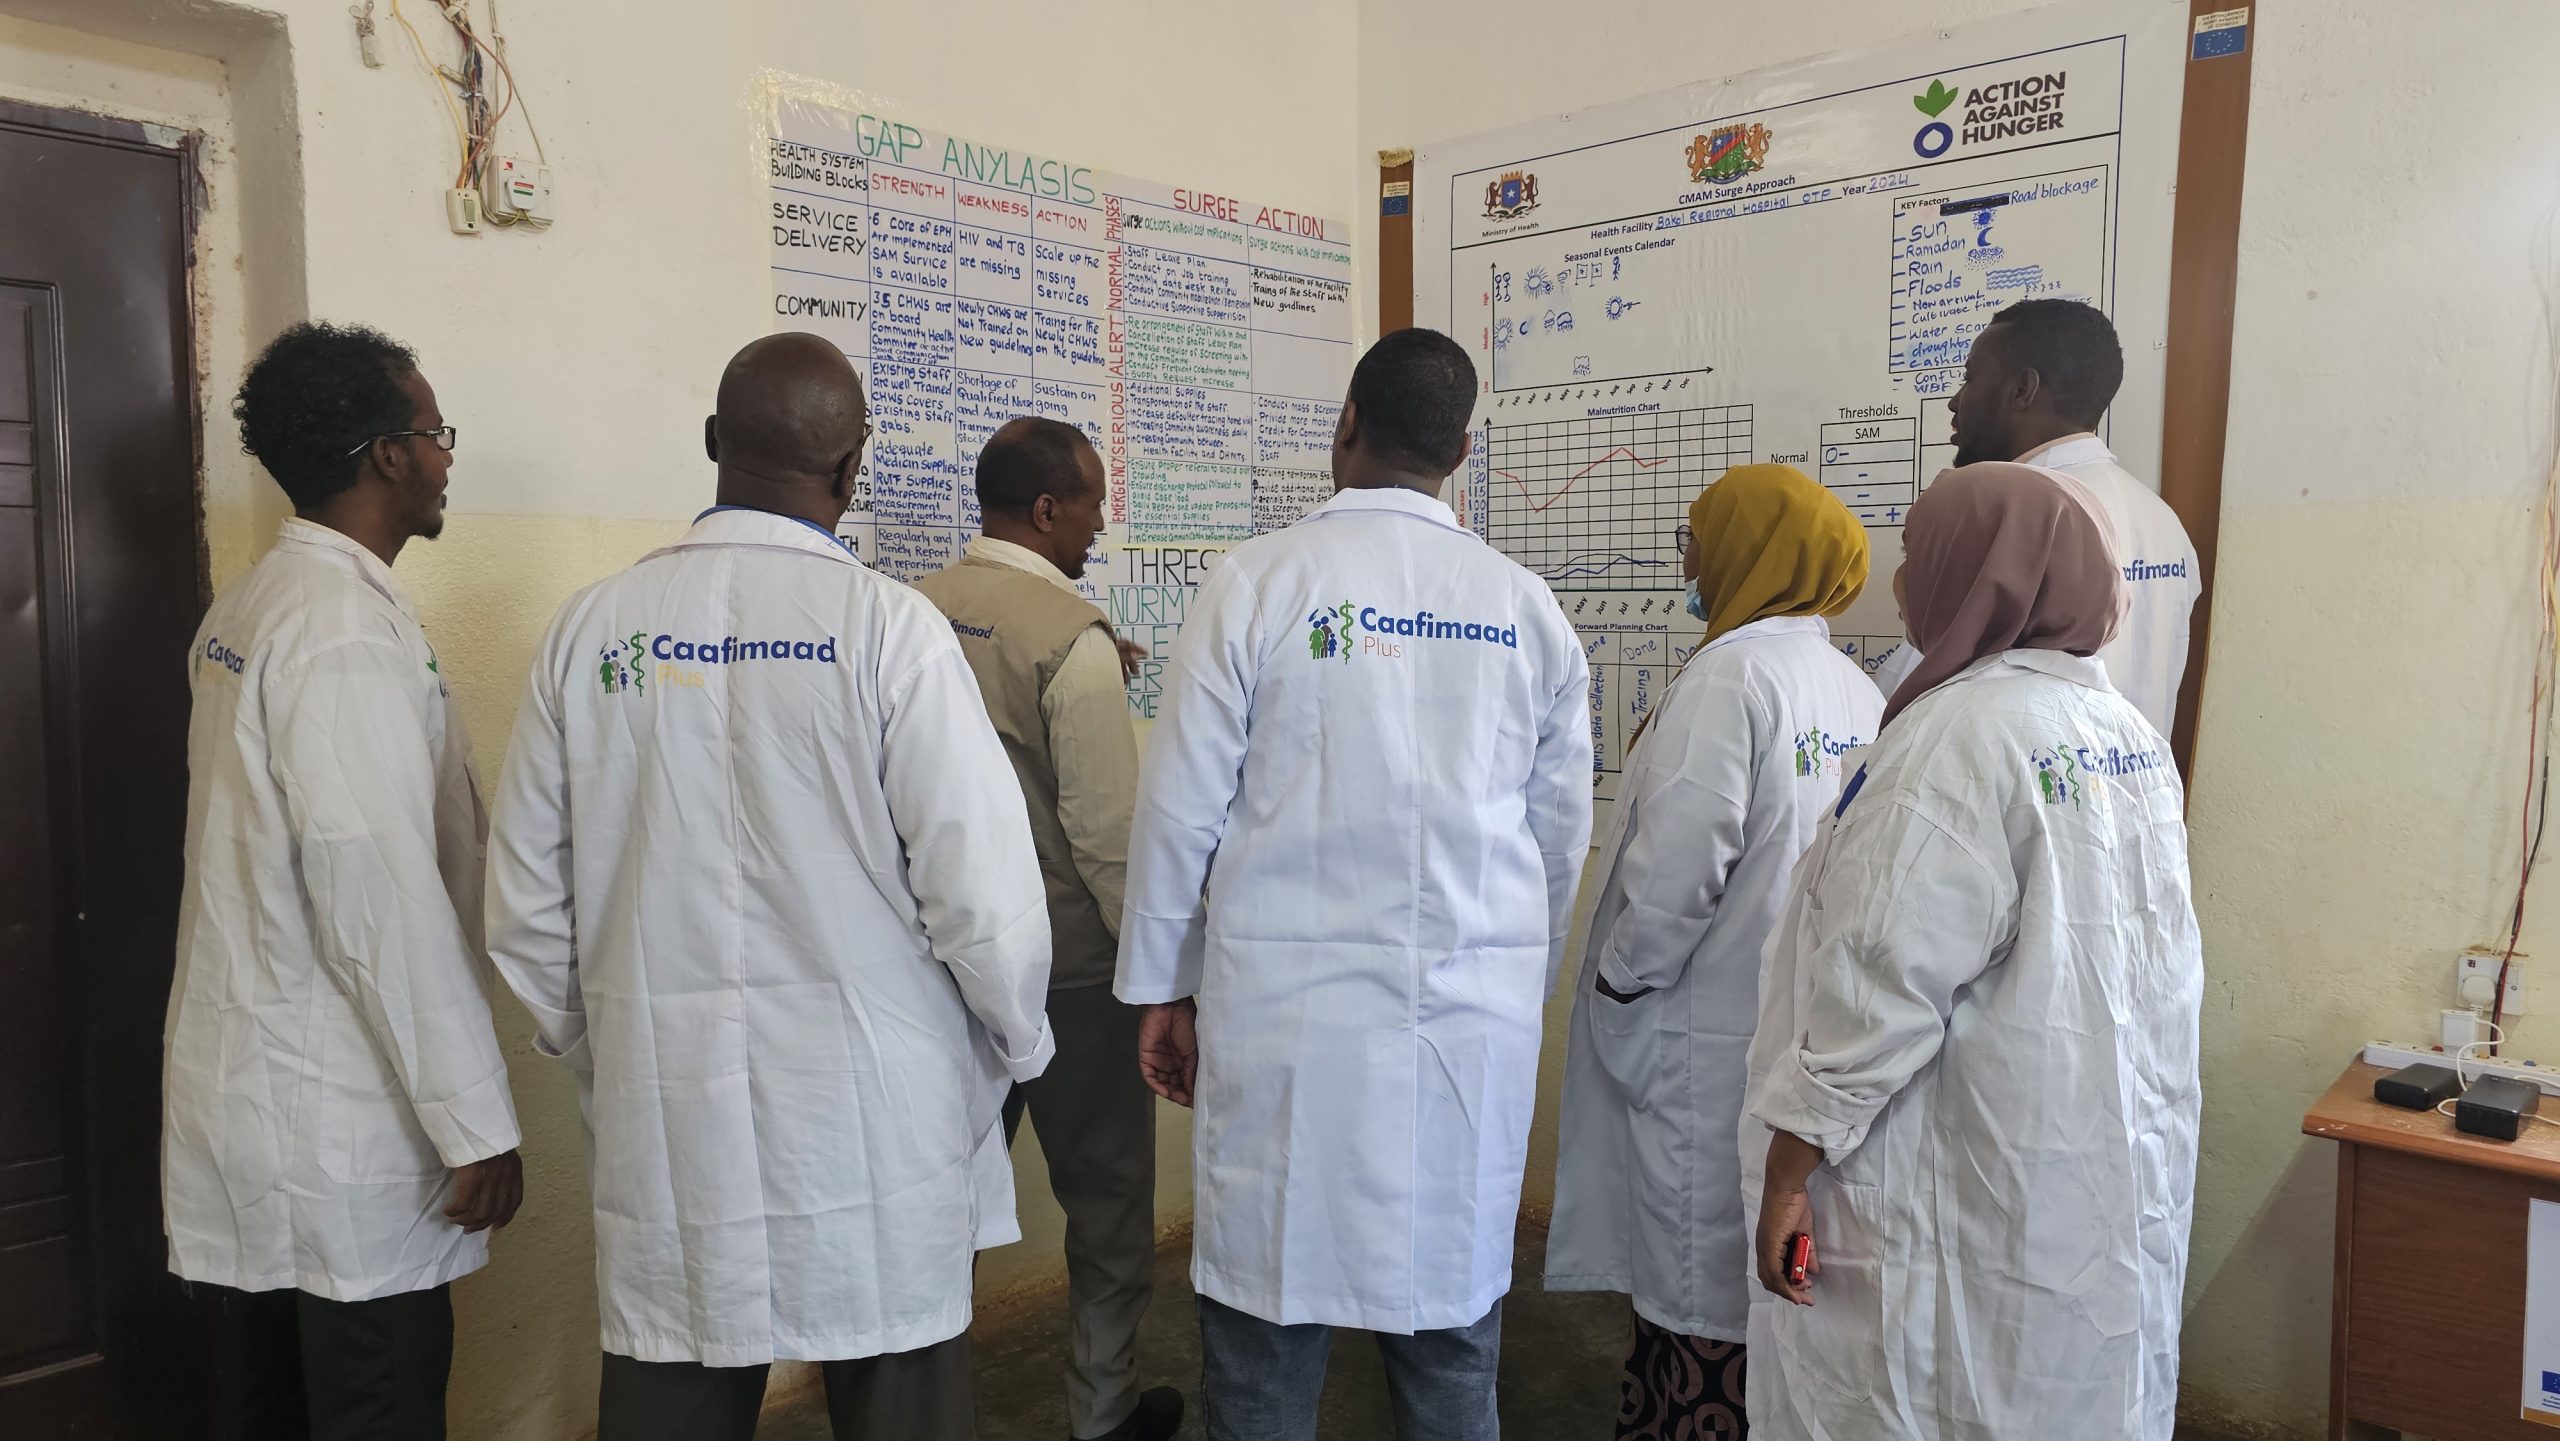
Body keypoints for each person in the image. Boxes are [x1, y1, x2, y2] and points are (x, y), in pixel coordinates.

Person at [483, 333, 1056, 1441]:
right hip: (879, 1114)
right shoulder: (891, 632)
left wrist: (617, 1040)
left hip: (669, 1111)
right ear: (852, 471)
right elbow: (984, 903)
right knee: (901, 1388)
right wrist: (1014, 1045)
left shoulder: (592, 633)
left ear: (711, 444)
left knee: (676, 1368)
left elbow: (524, 909)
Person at [1116, 328, 1594, 1441]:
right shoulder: (1525, 607)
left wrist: (1162, 984)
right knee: (1448, 1345)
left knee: (1266, 1337)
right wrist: (1513, 961)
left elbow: (1183, 804)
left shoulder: (1258, 581)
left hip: (1288, 1029)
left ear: (1343, 425)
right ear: (1462, 450)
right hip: (1464, 1030)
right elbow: (1555, 833)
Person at [1745, 463, 2204, 1440]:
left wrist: (1787, 1171)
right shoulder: (2120, 730)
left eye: (1917, 553)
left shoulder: (1953, 737)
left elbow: (1877, 992)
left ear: (1981, 570)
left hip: (1956, 1174)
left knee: (1935, 1392)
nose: (1902, 579)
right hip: (2083, 1172)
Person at [166, 321, 524, 1440]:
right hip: (345, 1127)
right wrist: (475, 1119)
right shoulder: (338, 634)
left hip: (263, 1104)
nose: (445, 456)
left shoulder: (256, 605)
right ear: (385, 454)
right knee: (375, 1402)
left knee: (270, 1402)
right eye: (433, 432)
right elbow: (378, 898)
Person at [1543, 465, 1882, 1441]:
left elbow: (1674, 873)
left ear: (1749, 550)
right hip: (1789, 1034)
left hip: (1700, 1035)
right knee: (1764, 1299)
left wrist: (1619, 977)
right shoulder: (1852, 686)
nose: (1684, 557)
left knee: (1697, 1293)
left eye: (1697, 535)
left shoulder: (1729, 675)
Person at [911, 417, 1184, 1441]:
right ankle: (1100, 1413)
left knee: (938, 1213)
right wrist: (1159, 977)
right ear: (1044, 511)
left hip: (936, 974)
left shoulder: (904, 611)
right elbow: (1107, 836)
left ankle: (925, 1415)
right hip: (1068, 978)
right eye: (1093, 502)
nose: (1101, 521)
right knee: (1108, 1210)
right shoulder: (1071, 638)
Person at [1867, 299, 2202, 739]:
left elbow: (1923, 681)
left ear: (2023, 390)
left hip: (1998, 788)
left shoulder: (2013, 527)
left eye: (1969, 379)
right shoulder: (2163, 522)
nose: (1954, 402)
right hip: (2122, 784)